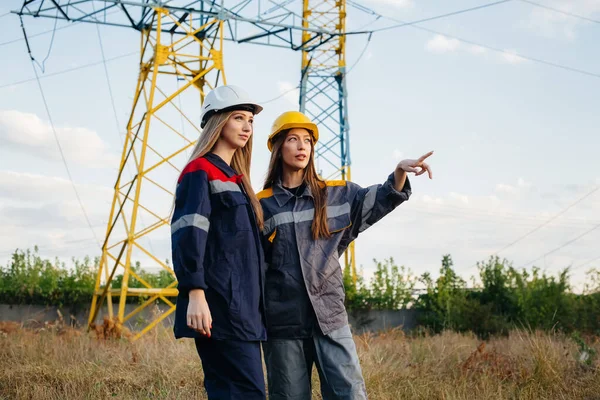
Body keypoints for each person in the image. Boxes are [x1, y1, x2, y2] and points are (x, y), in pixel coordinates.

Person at [257, 111, 433, 400]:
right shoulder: (261, 204)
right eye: (293, 139)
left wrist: (399, 171)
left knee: (348, 394)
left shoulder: (337, 194)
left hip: (329, 317)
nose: (302, 146)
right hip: (283, 323)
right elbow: (252, 266)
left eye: (307, 140)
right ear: (278, 147)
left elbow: (380, 199)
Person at [170, 85, 267, 400]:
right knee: (245, 392)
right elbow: (187, 233)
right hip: (220, 307)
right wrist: (195, 293)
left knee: (234, 392)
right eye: (238, 118)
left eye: (250, 120)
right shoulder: (201, 171)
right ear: (217, 121)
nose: (247, 127)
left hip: (243, 310)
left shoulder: (236, 180)